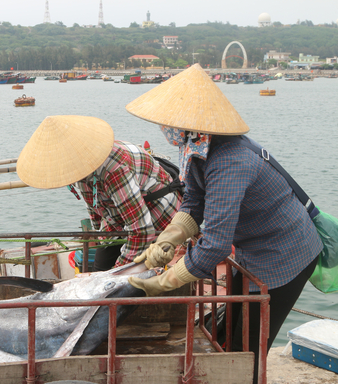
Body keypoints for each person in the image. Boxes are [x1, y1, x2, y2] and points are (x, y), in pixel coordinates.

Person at [125, 64, 322, 382]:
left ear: (188, 123)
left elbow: (215, 243)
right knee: (227, 327)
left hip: (286, 253)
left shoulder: (230, 160)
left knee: (250, 346)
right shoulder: (198, 149)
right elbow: (193, 202)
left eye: (167, 122)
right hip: (251, 250)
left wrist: (165, 282)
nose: (164, 128)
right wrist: (168, 238)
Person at [16, 115, 182, 270]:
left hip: (157, 213)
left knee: (129, 280)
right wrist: (100, 239)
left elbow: (141, 230)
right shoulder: (80, 170)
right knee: (100, 266)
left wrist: (117, 272)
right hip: (120, 218)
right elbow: (95, 207)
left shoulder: (114, 170)